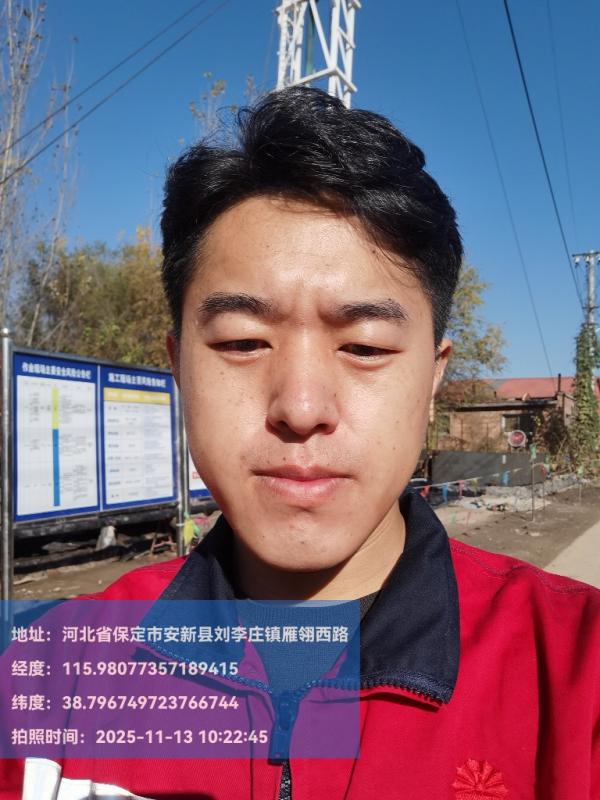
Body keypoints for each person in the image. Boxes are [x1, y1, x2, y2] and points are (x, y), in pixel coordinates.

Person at [2, 86, 600, 799]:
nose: (302, 408)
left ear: (433, 374)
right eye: (243, 341)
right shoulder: (49, 683)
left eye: (366, 346)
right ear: (178, 365)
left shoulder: (575, 671)